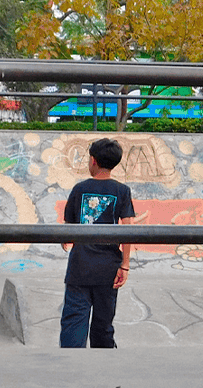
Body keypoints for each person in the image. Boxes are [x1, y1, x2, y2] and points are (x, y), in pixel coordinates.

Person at [60, 138, 135, 348]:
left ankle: (69, 367)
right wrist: (125, 264)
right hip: (108, 268)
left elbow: (69, 228)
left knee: (73, 322)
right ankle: (104, 370)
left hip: (80, 267)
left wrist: (66, 239)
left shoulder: (79, 189)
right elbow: (128, 228)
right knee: (103, 324)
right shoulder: (122, 191)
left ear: (92, 160)